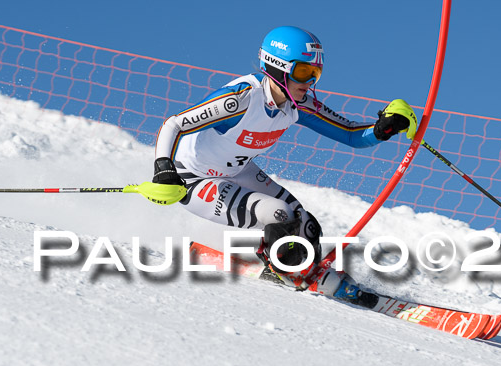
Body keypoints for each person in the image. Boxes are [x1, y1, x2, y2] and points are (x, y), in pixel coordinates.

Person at [152, 26, 417, 307]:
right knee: (279, 215)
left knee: (306, 226)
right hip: (192, 178)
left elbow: (351, 134)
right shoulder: (241, 99)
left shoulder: (299, 104)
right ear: (278, 67)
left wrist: (384, 129)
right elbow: (175, 124)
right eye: (303, 72)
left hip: (235, 170)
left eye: (316, 74)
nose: (310, 82)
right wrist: (163, 169)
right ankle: (288, 271)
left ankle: (302, 269)